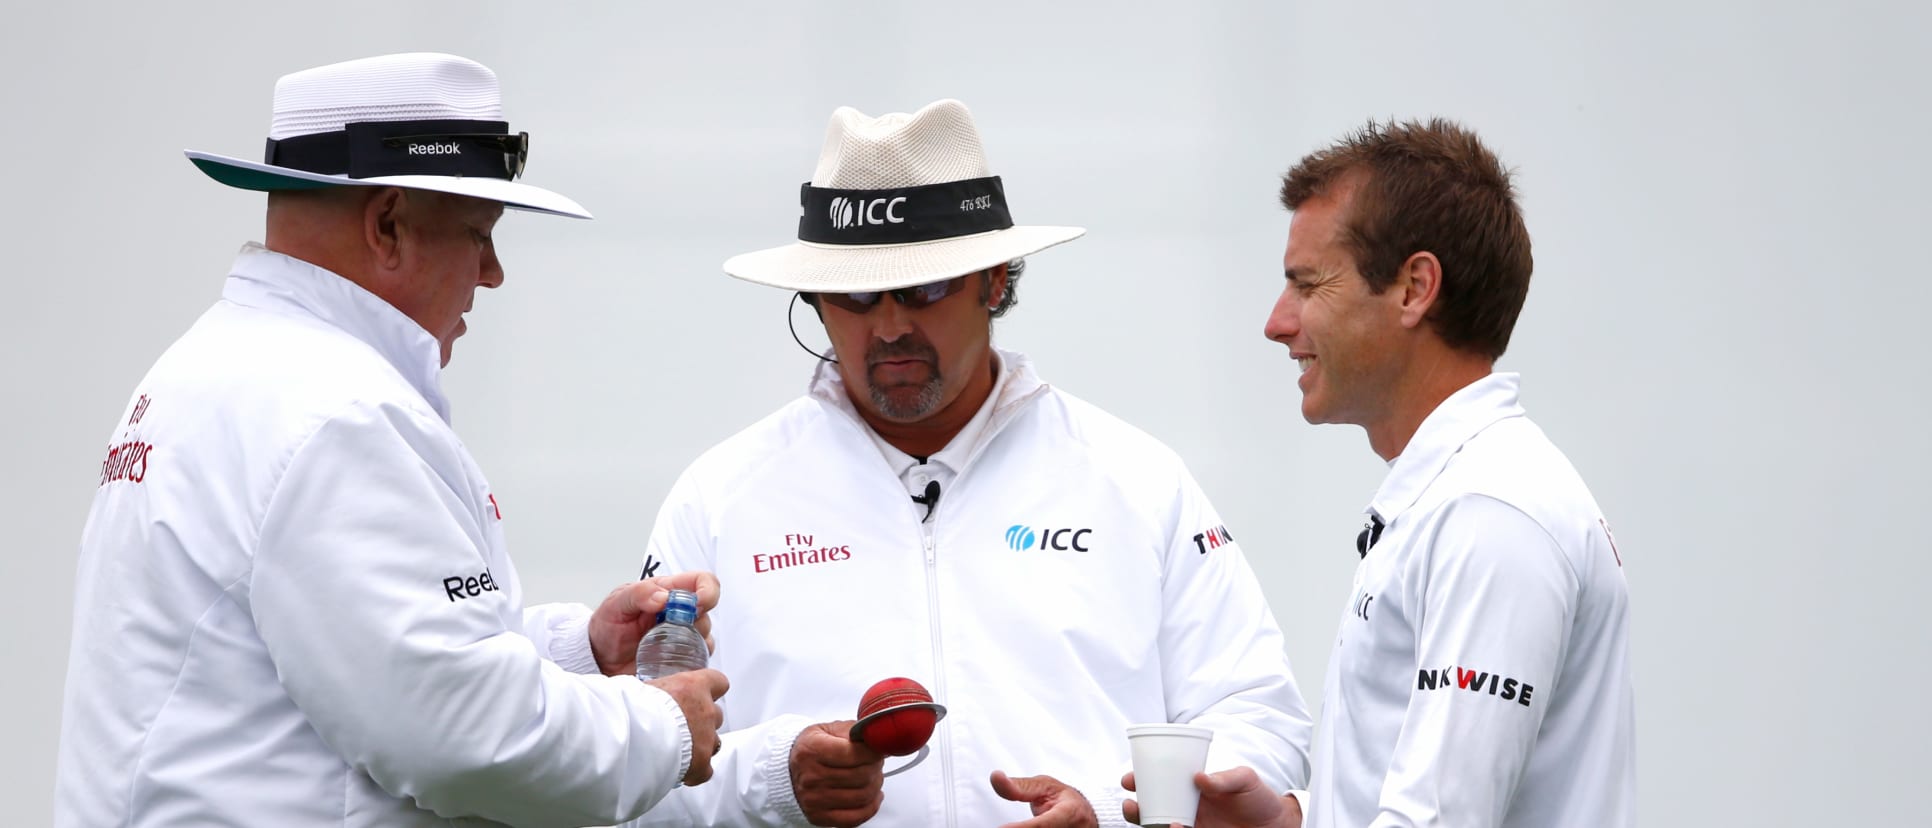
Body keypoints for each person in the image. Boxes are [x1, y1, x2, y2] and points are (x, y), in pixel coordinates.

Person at [54, 53, 728, 828]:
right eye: (478, 234)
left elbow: (373, 669)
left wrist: (581, 649)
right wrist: (665, 727)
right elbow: (464, 739)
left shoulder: (215, 367)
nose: (493, 272)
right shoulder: (335, 410)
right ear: (386, 225)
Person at [628, 99, 1312, 828]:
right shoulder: (720, 497)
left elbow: (1258, 717)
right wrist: (773, 781)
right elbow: (638, 766)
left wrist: (1111, 815)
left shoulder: (1136, 480)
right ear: (817, 304)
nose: (889, 326)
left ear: (995, 281)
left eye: (925, 288)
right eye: (854, 295)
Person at [1124, 119, 1636, 827]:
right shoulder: (1462, 494)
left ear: (1414, 288)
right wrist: (1293, 820)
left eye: (1307, 284)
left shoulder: (1489, 509)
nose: (1277, 323)